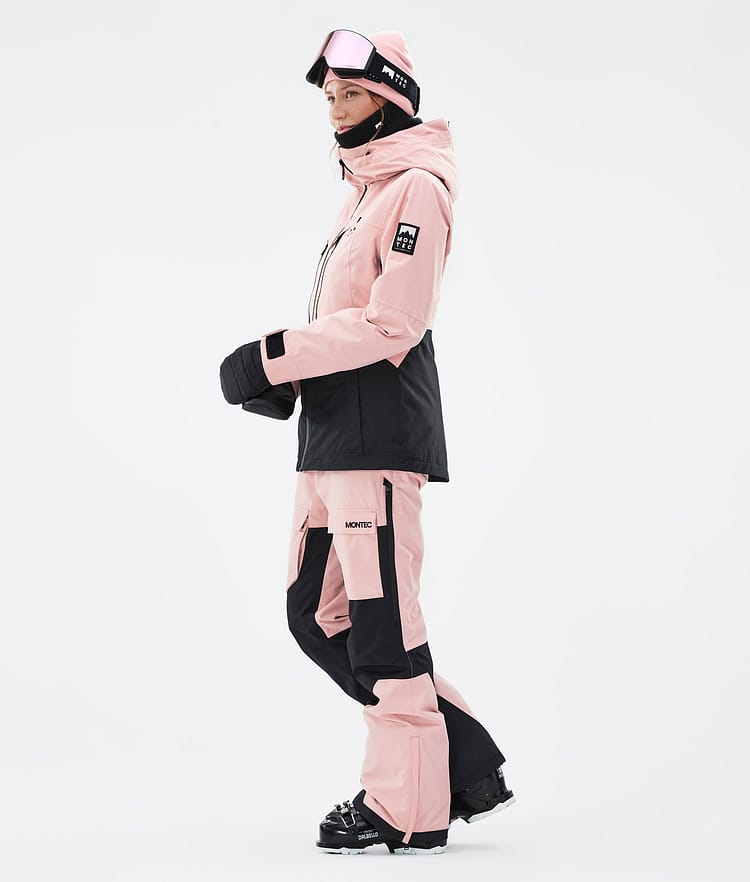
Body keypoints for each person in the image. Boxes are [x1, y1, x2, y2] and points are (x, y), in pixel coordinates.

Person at [219, 28, 515, 855]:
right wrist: (290, 383)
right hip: (329, 438)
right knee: (315, 615)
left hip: (378, 441)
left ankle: (405, 807)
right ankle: (461, 767)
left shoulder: (416, 186)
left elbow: (394, 324)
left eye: (350, 94)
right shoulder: (362, 191)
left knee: (382, 627)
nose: (335, 110)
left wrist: (272, 355)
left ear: (389, 98)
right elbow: (349, 321)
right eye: (329, 97)